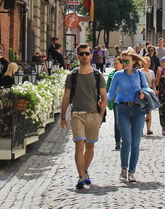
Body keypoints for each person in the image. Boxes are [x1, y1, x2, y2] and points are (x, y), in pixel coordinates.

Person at [60, 44, 107, 189]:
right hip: (77, 114)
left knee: (90, 146)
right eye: (81, 54)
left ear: (91, 55)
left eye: (87, 53)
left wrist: (100, 116)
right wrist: (62, 117)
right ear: (78, 56)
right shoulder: (72, 75)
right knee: (79, 144)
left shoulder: (97, 75)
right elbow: (66, 97)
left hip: (93, 114)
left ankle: (85, 171)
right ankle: (81, 176)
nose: (84, 56)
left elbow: (104, 97)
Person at [106, 49, 149, 182]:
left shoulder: (140, 74)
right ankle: (123, 169)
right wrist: (104, 100)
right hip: (123, 109)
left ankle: (132, 172)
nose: (124, 63)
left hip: (138, 110)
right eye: (123, 60)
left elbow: (146, 88)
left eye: (127, 61)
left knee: (136, 142)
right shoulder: (118, 75)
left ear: (134, 62)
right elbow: (111, 92)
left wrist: (143, 93)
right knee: (127, 141)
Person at [106, 57, 124, 150]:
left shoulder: (127, 74)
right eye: (115, 64)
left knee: (126, 122)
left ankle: (125, 140)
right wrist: (108, 100)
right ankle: (117, 141)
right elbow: (108, 88)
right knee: (117, 122)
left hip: (126, 102)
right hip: (116, 101)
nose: (115, 65)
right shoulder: (111, 75)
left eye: (117, 63)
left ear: (122, 64)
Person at [141, 57, 156, 135]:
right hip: (142, 92)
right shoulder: (140, 71)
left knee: (149, 111)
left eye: (149, 61)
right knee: (141, 111)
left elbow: (153, 83)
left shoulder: (152, 72)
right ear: (143, 62)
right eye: (147, 61)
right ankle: (140, 129)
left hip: (149, 93)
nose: (149, 63)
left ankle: (148, 129)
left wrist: (154, 91)